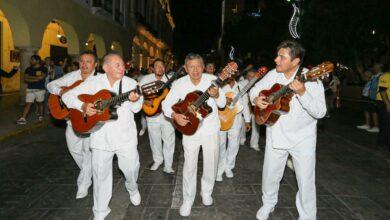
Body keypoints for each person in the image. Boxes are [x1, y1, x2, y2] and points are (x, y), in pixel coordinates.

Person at [250, 40, 326, 220]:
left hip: (303, 138)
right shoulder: (273, 74)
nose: (276, 60)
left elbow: (321, 112)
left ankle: (307, 216)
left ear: (295, 61)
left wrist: (302, 93)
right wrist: (256, 100)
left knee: (305, 180)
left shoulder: (312, 79)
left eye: (281, 57)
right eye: (277, 55)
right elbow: (254, 90)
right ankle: (268, 203)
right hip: (275, 132)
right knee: (270, 173)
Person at [62, 52, 143, 220]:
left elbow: (137, 109)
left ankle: (132, 186)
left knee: (130, 168)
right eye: (117, 65)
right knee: (100, 175)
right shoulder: (94, 82)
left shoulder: (131, 83)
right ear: (105, 67)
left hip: (125, 137)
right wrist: (83, 105)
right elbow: (67, 96)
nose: (122, 68)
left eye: (122, 65)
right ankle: (100, 210)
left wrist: (135, 100)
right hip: (100, 136)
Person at [162, 53, 226, 217]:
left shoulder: (213, 80)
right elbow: (166, 104)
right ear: (185, 68)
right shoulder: (179, 83)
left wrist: (217, 94)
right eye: (191, 66)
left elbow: (223, 103)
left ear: (203, 67)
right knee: (189, 166)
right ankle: (188, 199)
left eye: (198, 66)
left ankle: (206, 193)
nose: (195, 70)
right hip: (190, 129)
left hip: (211, 129)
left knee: (211, 163)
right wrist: (175, 116)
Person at [47, 51, 98, 199]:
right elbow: (51, 85)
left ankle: (83, 184)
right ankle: (89, 172)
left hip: (89, 123)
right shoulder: (72, 76)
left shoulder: (99, 80)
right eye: (82, 61)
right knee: (74, 150)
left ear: (95, 64)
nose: (84, 64)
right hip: (71, 121)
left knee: (88, 152)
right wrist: (62, 91)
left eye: (88, 61)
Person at [140, 58, 176, 173]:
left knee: (169, 140)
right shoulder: (146, 79)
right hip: (152, 114)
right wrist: (144, 101)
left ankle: (168, 165)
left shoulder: (170, 80)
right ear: (153, 68)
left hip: (167, 115)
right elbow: (137, 93)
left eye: (162, 66)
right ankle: (158, 160)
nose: (160, 68)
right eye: (157, 66)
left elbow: (177, 96)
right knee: (154, 140)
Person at [216, 76, 251, 181]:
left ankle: (229, 167)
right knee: (221, 145)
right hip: (222, 118)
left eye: (234, 72)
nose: (231, 75)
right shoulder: (220, 86)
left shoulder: (241, 87)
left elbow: (245, 103)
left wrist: (248, 120)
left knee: (234, 145)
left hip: (237, 119)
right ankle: (219, 169)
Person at [16, 55, 47, 124]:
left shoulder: (43, 69)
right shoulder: (28, 69)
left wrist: (30, 78)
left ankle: (41, 116)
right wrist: (36, 79)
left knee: (40, 103)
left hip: (40, 89)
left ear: (37, 61)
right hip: (30, 89)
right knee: (27, 104)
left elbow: (41, 78)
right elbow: (25, 79)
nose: (31, 61)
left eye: (32, 60)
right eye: (31, 60)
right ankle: (23, 118)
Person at [376, 66, 389, 149]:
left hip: (387, 102)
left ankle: (381, 142)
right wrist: (387, 104)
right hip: (383, 102)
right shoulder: (386, 76)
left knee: (385, 124)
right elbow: (382, 90)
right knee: (387, 124)